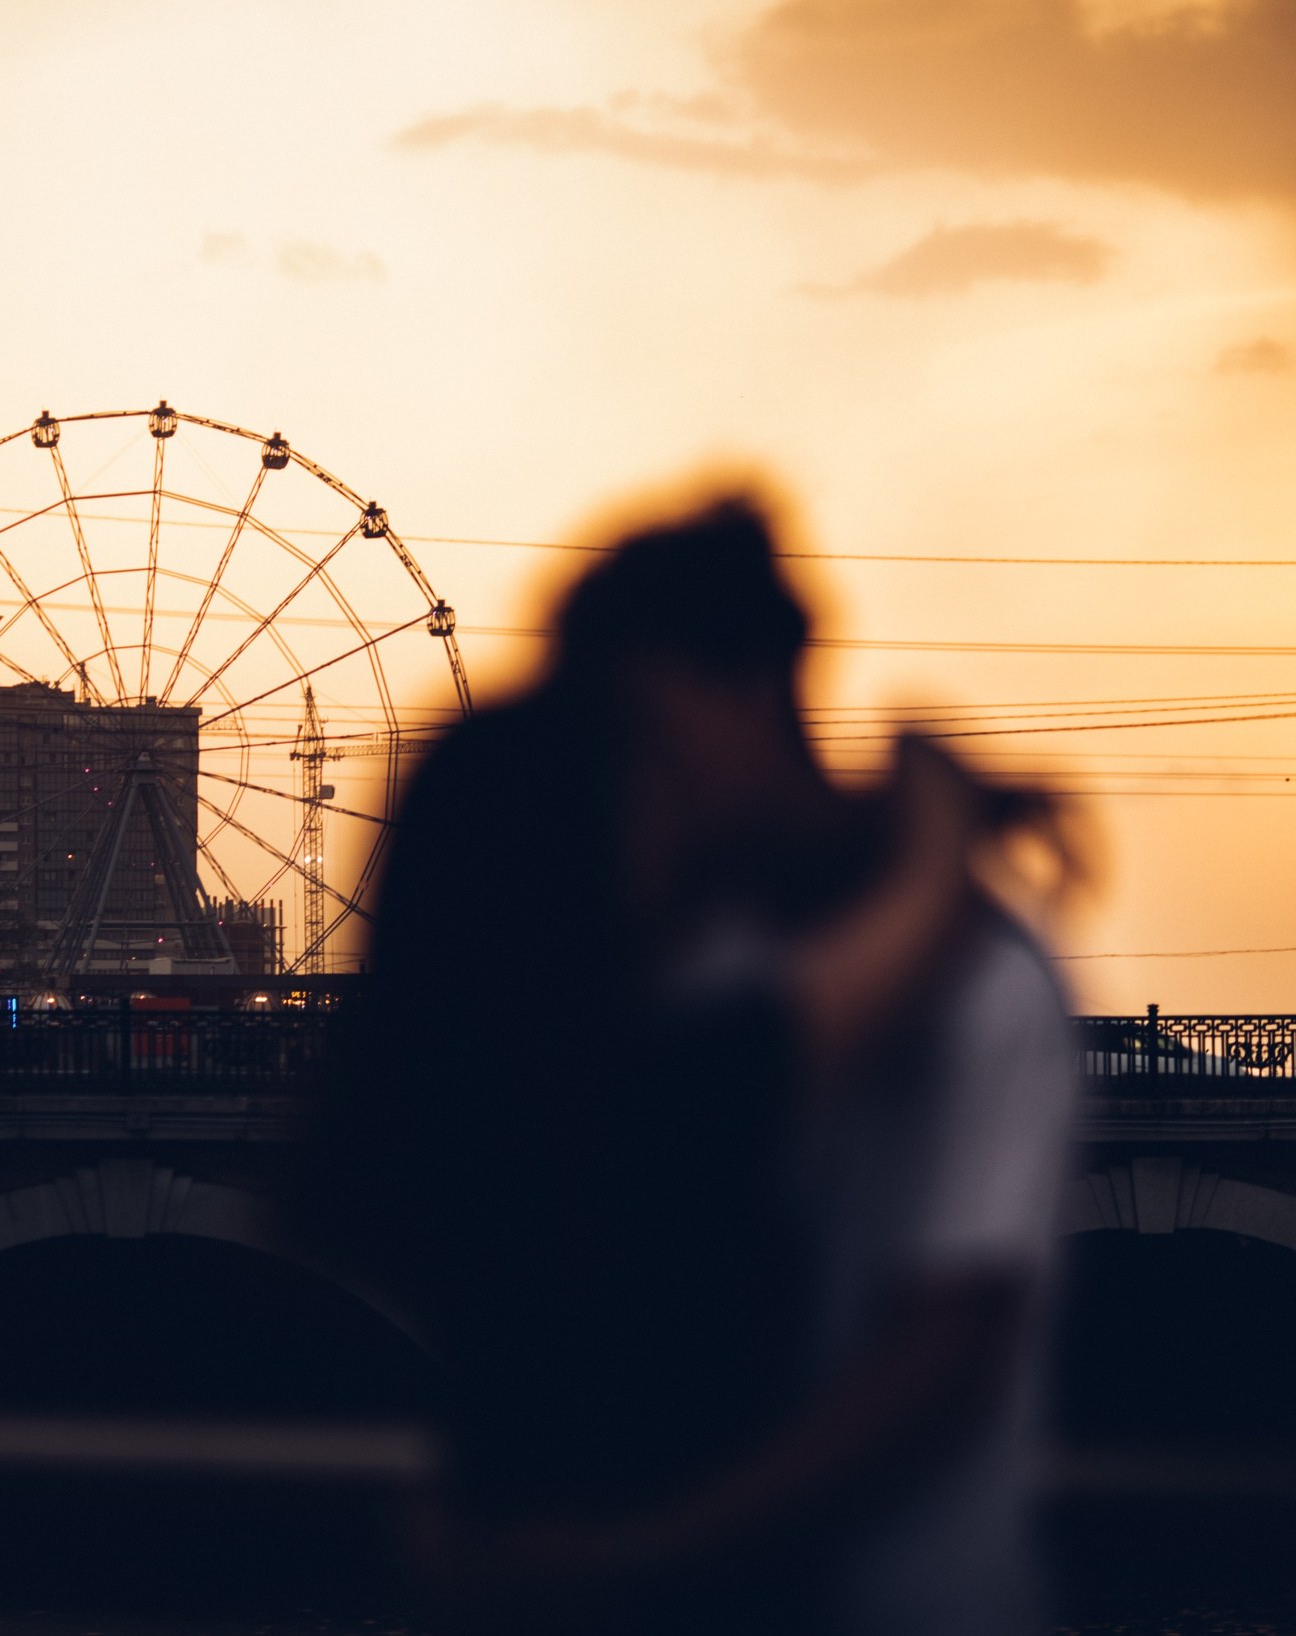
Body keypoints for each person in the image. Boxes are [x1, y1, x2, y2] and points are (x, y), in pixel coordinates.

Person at [299, 493, 1081, 1635]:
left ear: (747, 691)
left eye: (639, 734)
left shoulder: (979, 974)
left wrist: (628, 1553)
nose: (618, 771)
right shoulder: (667, 965)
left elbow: (944, 1348)